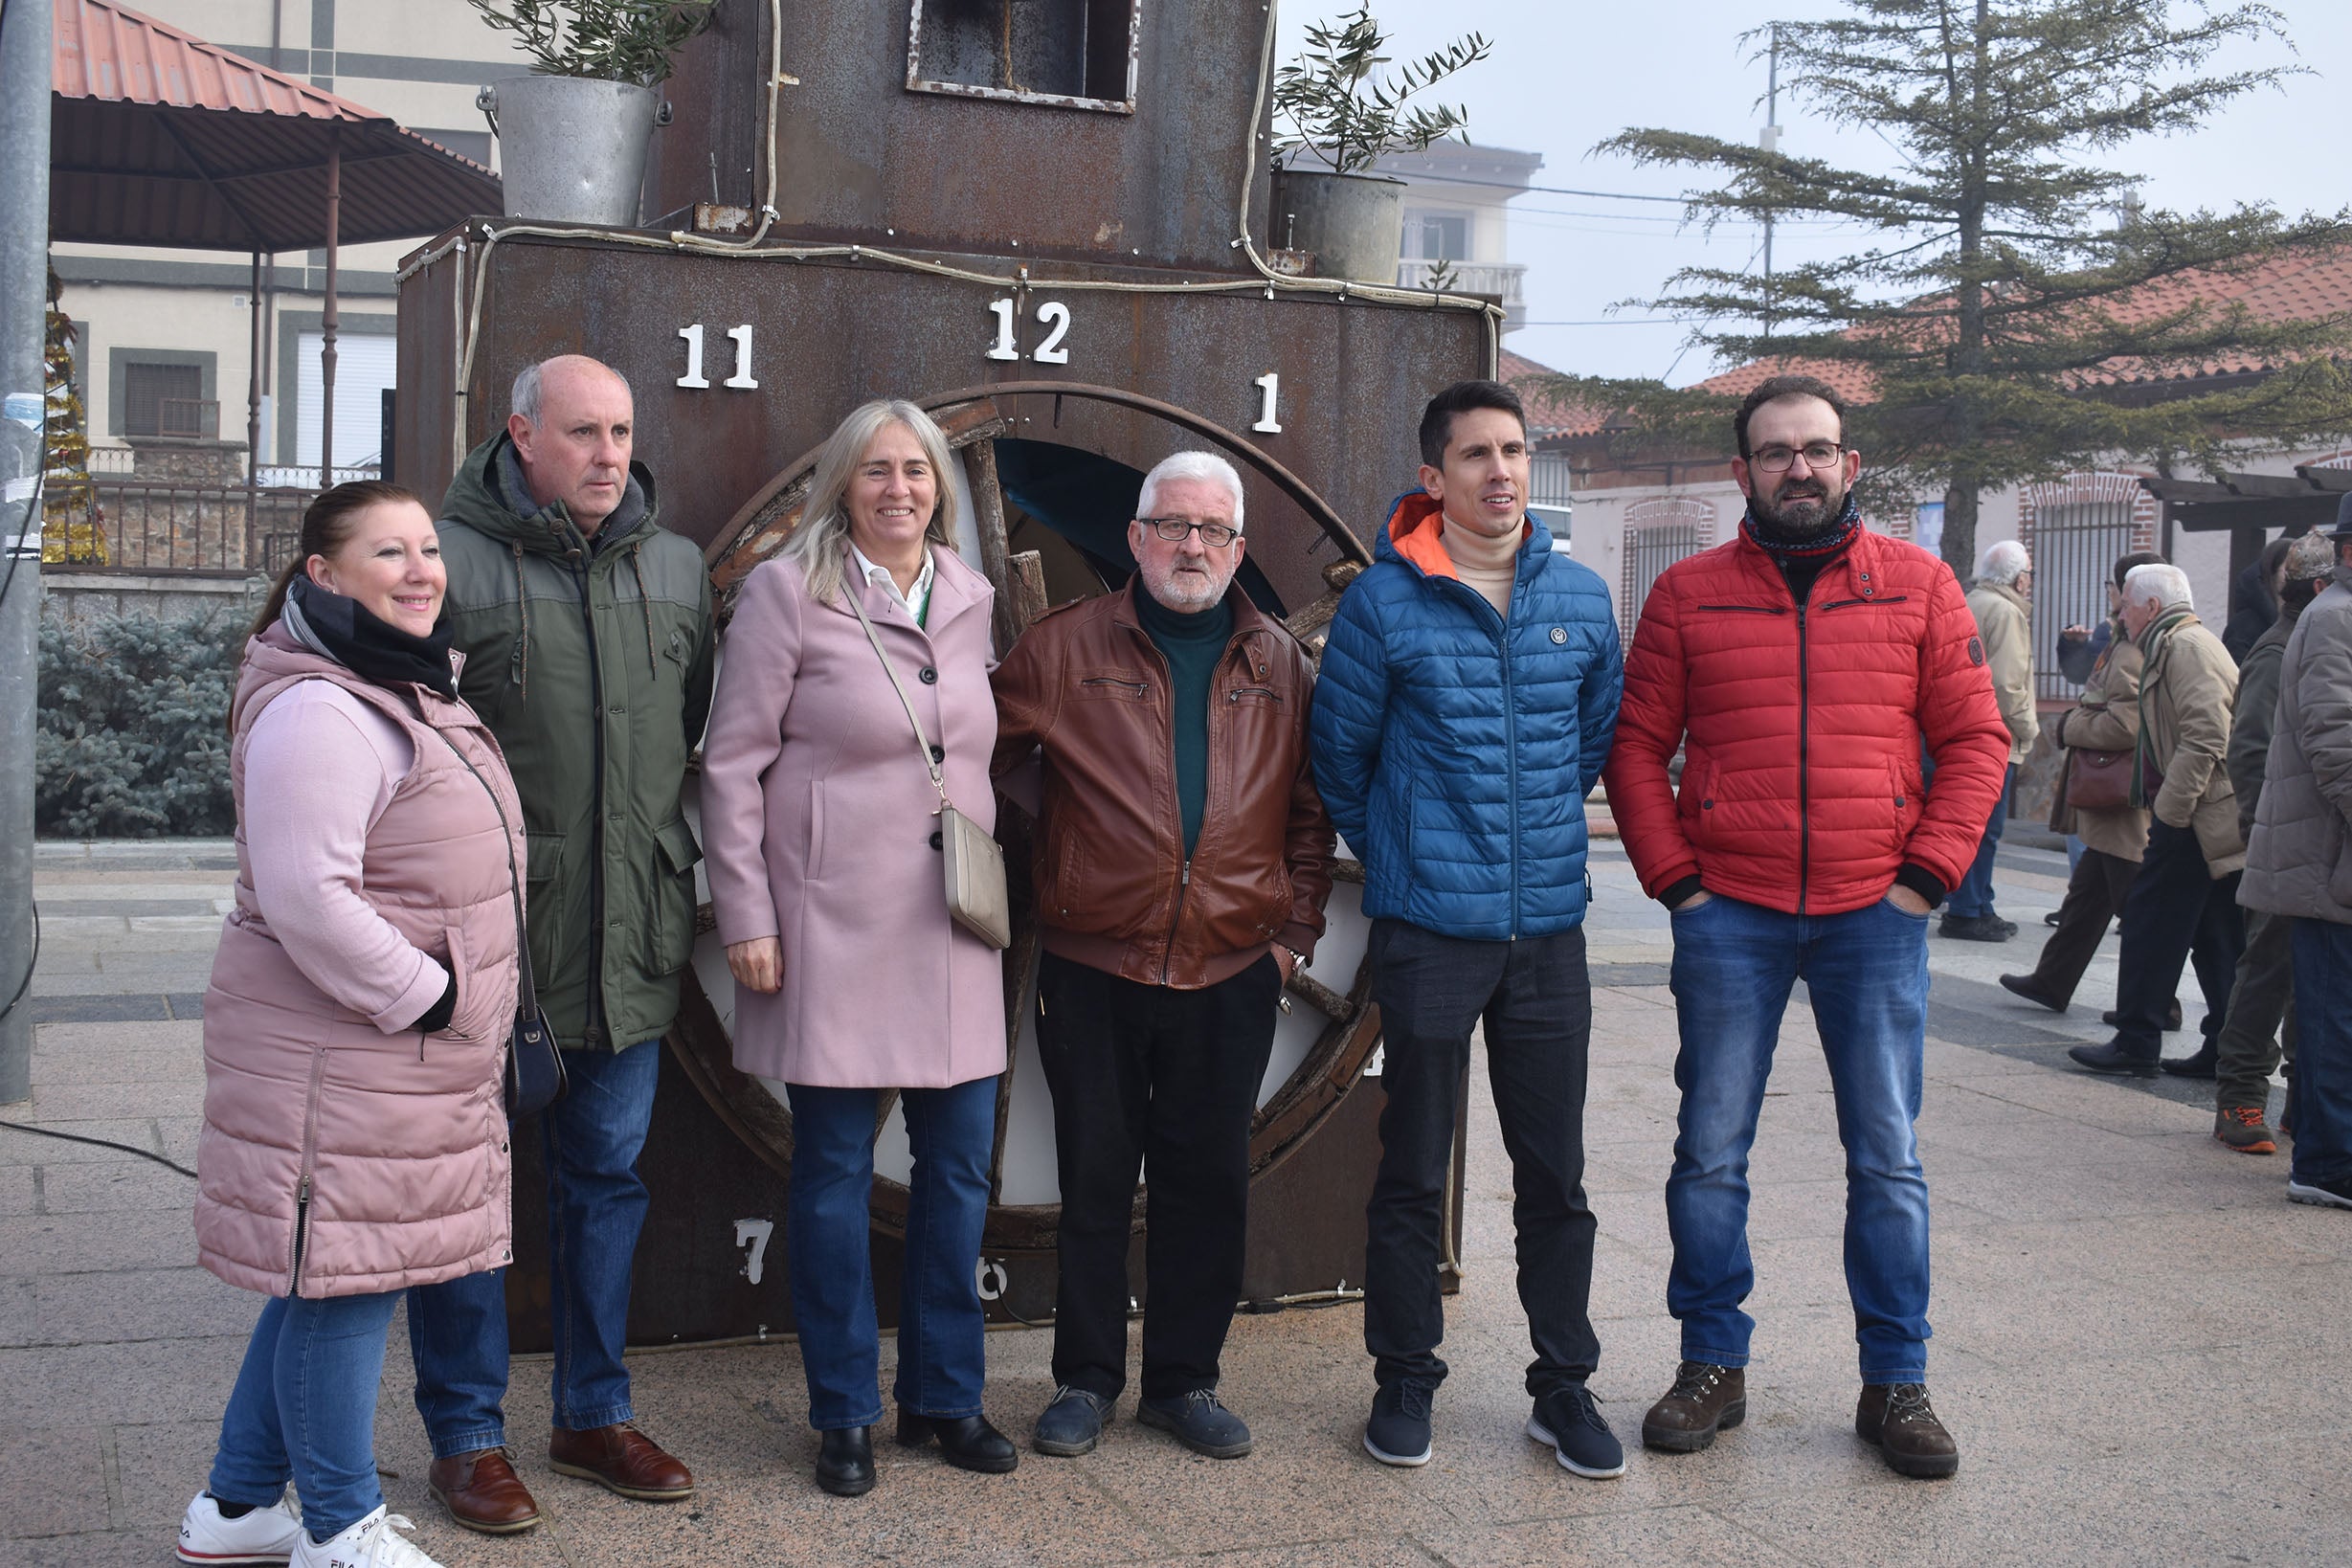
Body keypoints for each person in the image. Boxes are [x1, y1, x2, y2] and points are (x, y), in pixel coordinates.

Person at [1604, 374, 2009, 1481]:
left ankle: (1897, 1381)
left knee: (1887, 1159)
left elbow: (1978, 740)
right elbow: (1636, 747)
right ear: (1744, 472)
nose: (1800, 467)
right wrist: (1677, 882)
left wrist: (1927, 878)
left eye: (1818, 450)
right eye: (1777, 452)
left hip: (1874, 914)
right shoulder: (1688, 594)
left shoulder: (1920, 588)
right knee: (1709, 1153)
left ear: (1850, 466)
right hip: (1728, 910)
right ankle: (1710, 1365)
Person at [177, 483, 522, 1568]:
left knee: (322, 1277)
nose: (422, 570)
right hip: (350, 1054)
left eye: (429, 549)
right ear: (324, 575)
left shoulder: (399, 683)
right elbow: (308, 896)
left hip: (388, 1059)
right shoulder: (324, 708)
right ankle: (339, 1526)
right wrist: (435, 997)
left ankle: (235, 1509)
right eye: (390, 553)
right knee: (344, 1288)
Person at [407, 355, 713, 1532]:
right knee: (467, 1195)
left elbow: (684, 733)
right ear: (521, 435)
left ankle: (593, 1412)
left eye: (623, 432)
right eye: (583, 432)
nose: (608, 455)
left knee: (606, 1183)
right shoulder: (443, 560)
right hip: (487, 945)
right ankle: (467, 1437)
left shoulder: (675, 568)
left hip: (628, 935)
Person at [991, 451, 1336, 1462]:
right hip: (1095, 967)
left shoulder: (1280, 663)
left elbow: (1311, 823)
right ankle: (1085, 1382)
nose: (1194, 546)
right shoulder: (1064, 648)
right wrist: (1059, 851)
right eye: (1174, 526)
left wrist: (1290, 943)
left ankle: (1185, 1383)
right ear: (1137, 538)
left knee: (1207, 1183)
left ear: (1238, 548)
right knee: (1095, 1179)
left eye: (1214, 531)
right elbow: (985, 760)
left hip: (1232, 971)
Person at [1311, 379, 1626, 1478]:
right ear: (1432, 477)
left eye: (1515, 450)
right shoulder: (1382, 606)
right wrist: (1405, 853)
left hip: (1547, 935)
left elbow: (1589, 744)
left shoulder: (1582, 600)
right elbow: (1339, 762)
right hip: (1429, 935)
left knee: (1556, 1176)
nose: (1501, 471)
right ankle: (1405, 1379)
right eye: (1476, 455)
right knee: (1411, 1170)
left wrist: (1525, 850)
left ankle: (1565, 1389)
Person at [700, 399, 1013, 1496]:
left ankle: (944, 1399)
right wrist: (745, 912)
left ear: (941, 485)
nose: (898, 490)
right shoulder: (788, 594)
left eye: (917, 472)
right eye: (876, 471)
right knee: (833, 1174)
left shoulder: (972, 599)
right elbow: (730, 766)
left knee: (960, 1169)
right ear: (842, 484)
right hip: (826, 922)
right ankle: (842, 1413)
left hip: (954, 925)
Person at [2069, 564, 2245, 1080]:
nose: (2120, 614)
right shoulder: (2176, 643)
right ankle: (2226, 1047)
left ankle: (2137, 1041)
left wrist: (2170, 813)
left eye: (2125, 604)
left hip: (2195, 817)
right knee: (2215, 935)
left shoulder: (2186, 647)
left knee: (2149, 923)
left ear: (2150, 606)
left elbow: (2208, 736)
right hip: (2202, 815)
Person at [2241, 497, 2352, 1209]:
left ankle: (2323, 1148)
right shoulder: (2335, 617)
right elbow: (2335, 744)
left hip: (2332, 859)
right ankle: (2326, 1163)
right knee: (2334, 1018)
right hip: (2328, 860)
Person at [1998, 551, 2167, 1016]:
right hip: (2110, 802)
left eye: (2112, 590)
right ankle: (2053, 981)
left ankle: (2159, 1003)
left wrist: (2072, 727)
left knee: (2133, 905)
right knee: (2087, 898)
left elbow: (2129, 724)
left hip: (2121, 799)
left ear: (2122, 593)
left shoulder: (2131, 651)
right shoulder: (2119, 642)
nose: (2110, 598)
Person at [2211, 532, 2333, 1152]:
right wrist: (2261, 829)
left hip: (2316, 842)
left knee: (2310, 977)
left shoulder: (2314, 639)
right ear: (2317, 587)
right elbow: (2248, 748)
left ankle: (2301, 1098)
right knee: (2267, 970)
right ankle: (2239, 1100)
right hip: (2283, 838)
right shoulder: (2277, 649)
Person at [1943, 541, 2037, 941]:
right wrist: (2029, 729)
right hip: (1994, 735)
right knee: (1986, 828)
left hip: (1955, 731)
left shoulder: (1969, 601)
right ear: (2019, 579)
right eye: (2029, 575)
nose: (2030, 583)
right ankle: (1969, 909)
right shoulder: (2007, 611)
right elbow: (2006, 684)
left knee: (1967, 823)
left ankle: (1978, 902)